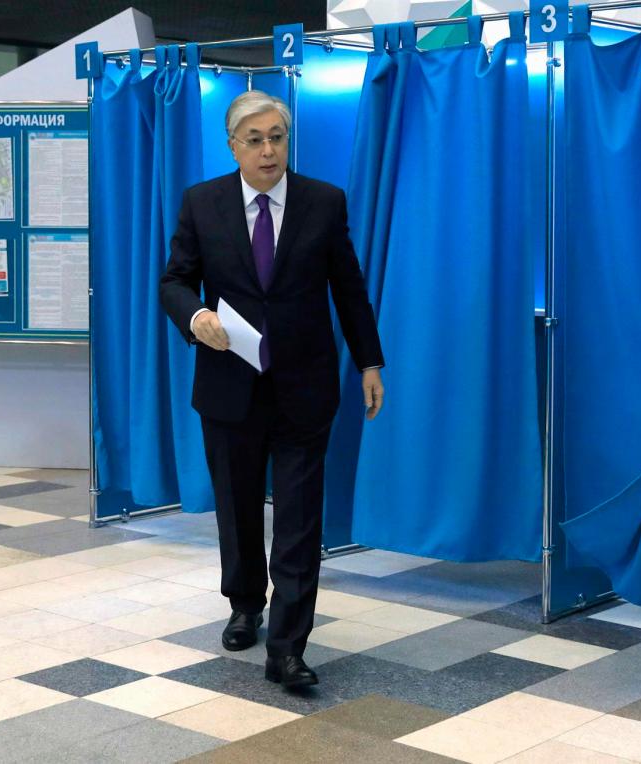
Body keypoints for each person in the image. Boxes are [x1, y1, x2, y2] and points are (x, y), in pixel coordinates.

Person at [159, 91, 385, 689]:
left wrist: (369, 361)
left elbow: (349, 288)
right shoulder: (202, 202)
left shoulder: (323, 201)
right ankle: (244, 603)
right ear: (233, 146)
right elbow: (174, 281)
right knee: (236, 507)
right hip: (228, 382)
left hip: (304, 386)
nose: (268, 150)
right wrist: (195, 317)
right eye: (255, 139)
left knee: (299, 517)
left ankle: (288, 647)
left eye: (277, 137)